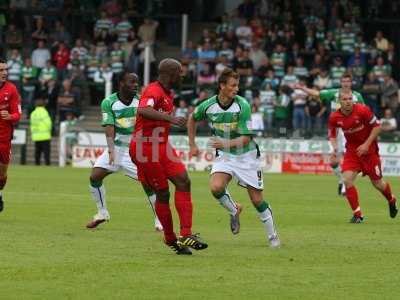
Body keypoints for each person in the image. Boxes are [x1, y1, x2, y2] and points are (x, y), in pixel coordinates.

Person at [187, 68, 280, 248]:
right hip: (225, 156)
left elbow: (247, 137)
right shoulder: (208, 105)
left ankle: (273, 237)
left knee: (257, 200)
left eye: (237, 85)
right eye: (232, 85)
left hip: (247, 156)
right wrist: (192, 145)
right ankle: (234, 209)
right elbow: (192, 118)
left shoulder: (243, 105)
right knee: (216, 187)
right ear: (222, 86)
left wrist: (224, 144)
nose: (236, 89)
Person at [129, 58, 208, 255]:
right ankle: (171, 238)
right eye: (179, 72)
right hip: (145, 148)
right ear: (170, 73)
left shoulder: (166, 93)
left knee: (184, 181)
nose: (182, 76)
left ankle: (186, 234)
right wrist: (171, 119)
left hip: (162, 146)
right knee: (163, 193)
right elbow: (143, 110)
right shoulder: (153, 90)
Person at [86, 71, 162, 231]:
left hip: (136, 150)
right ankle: (102, 212)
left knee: (148, 184)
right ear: (121, 83)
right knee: (95, 176)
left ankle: (159, 219)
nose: (135, 85)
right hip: (117, 148)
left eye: (137, 82)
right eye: (131, 82)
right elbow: (109, 126)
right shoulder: (109, 102)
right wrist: (111, 149)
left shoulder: (141, 102)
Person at [328, 94, 398, 223]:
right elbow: (332, 135)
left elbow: (377, 127)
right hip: (352, 152)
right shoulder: (334, 117)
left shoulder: (362, 110)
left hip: (369, 151)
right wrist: (335, 149)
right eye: (345, 99)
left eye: (350, 99)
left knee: (377, 183)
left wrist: (366, 144)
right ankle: (358, 214)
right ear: (339, 102)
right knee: (347, 180)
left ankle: (391, 199)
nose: (348, 101)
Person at [294, 73, 365, 196]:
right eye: (343, 81)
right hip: (337, 131)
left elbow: (364, 113)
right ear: (341, 82)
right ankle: (342, 180)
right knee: (333, 162)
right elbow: (316, 93)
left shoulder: (357, 96)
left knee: (352, 161)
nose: (346, 83)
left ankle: (345, 186)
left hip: (352, 131)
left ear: (351, 83)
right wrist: (302, 88)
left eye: (348, 81)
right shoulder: (334, 94)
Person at [0, 58, 21, 212]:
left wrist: (10, 117)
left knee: (2, 172)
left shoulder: (11, 89)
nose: (4, 73)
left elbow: (18, 114)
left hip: (4, 139)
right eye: (1, 70)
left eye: (5, 70)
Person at [30, 96, 52, 165]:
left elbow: (32, 125)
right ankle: (47, 165)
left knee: (37, 153)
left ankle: (37, 165)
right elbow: (48, 123)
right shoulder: (44, 112)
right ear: (44, 105)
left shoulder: (33, 113)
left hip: (36, 136)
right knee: (46, 153)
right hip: (45, 136)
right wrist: (50, 131)